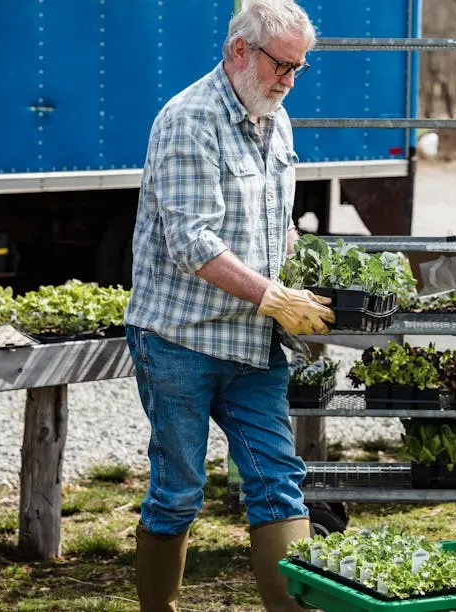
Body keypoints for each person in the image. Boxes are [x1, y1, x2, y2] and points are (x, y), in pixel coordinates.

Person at [123, 1, 334, 610]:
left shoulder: (278, 120)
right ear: (240, 50)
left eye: (299, 69)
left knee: (278, 486)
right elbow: (192, 241)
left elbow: (277, 224)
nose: (289, 81)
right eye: (282, 66)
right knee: (178, 491)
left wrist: (303, 269)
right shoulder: (188, 119)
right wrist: (274, 296)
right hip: (178, 339)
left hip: (251, 343)